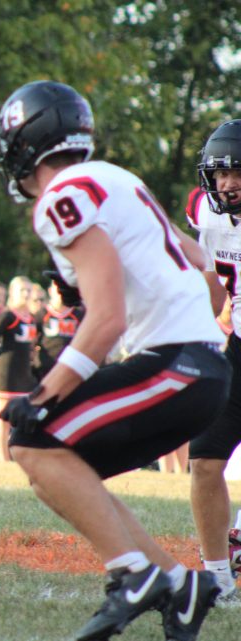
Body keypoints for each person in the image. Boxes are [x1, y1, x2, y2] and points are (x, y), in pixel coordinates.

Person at [0, 79, 228, 640]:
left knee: (31, 441)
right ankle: (179, 583)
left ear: (24, 143)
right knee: (65, 470)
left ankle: (133, 574)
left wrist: (42, 395)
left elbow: (107, 320)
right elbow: (205, 270)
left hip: (174, 366)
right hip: (202, 368)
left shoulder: (60, 197)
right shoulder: (116, 178)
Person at [183, 118, 241, 599]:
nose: (227, 183)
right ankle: (217, 577)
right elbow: (210, 280)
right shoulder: (205, 211)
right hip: (238, 346)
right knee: (203, 458)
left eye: (238, 172)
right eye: (220, 173)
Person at [0, 276, 40, 462]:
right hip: (6, 373)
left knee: (21, 418)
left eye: (28, 290)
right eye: (21, 290)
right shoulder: (7, 316)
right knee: (3, 418)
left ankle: (18, 457)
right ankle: (3, 460)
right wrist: (0, 359)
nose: (26, 294)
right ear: (12, 293)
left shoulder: (31, 318)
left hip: (24, 374)